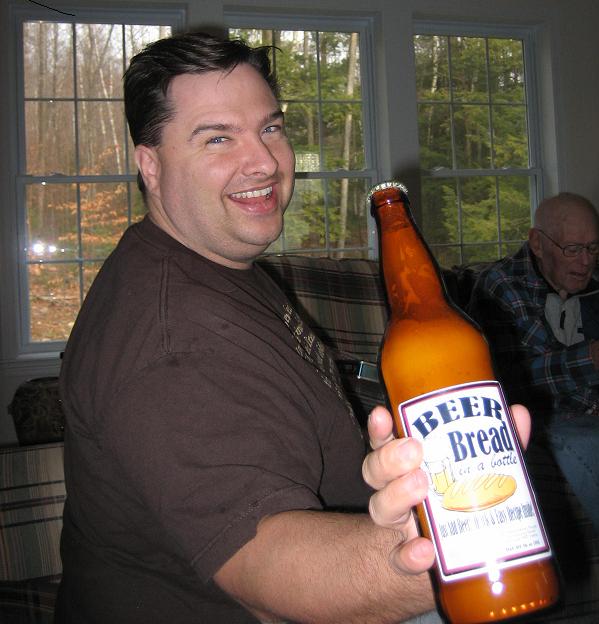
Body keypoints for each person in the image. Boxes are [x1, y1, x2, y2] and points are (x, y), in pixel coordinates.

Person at [54, 30, 530, 624]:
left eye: (271, 128)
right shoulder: (174, 341)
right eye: (218, 138)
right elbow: (265, 566)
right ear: (150, 164)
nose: (265, 162)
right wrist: (463, 547)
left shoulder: (217, 264)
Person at [468, 191, 599, 533]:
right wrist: (591, 359)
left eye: (593, 248)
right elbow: (521, 378)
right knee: (581, 438)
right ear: (537, 243)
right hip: (530, 419)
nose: (586, 261)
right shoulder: (502, 286)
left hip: (583, 412)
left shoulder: (591, 287)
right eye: (573, 249)